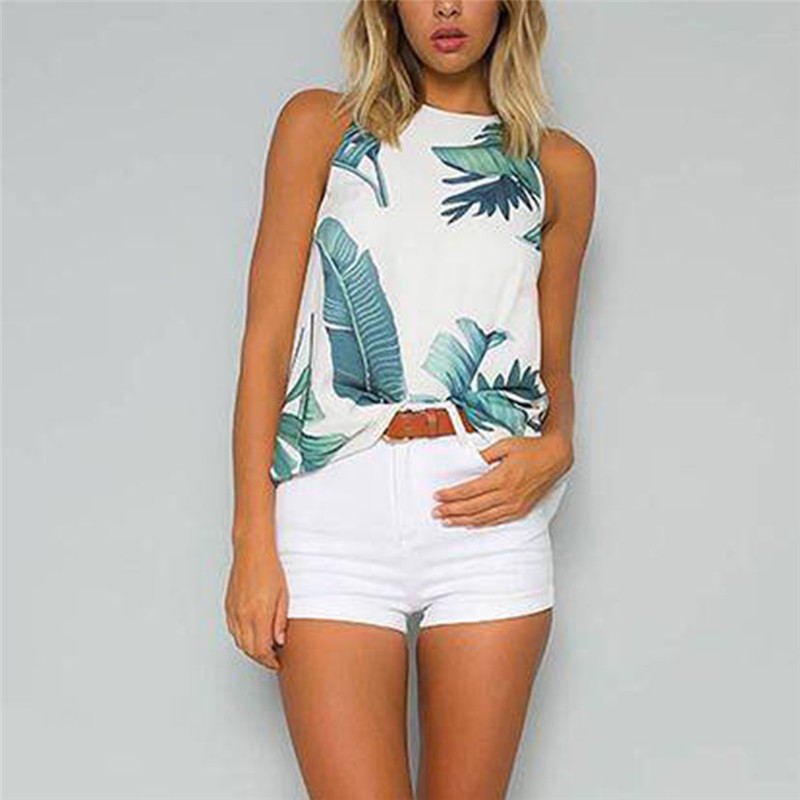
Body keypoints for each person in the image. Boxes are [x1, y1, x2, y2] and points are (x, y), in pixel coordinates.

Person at [225, 0, 596, 796]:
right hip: (333, 517)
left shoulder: (558, 166)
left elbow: (555, 366)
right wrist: (252, 543)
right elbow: (264, 343)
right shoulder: (320, 128)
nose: (447, 7)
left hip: (486, 515)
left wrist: (560, 446)